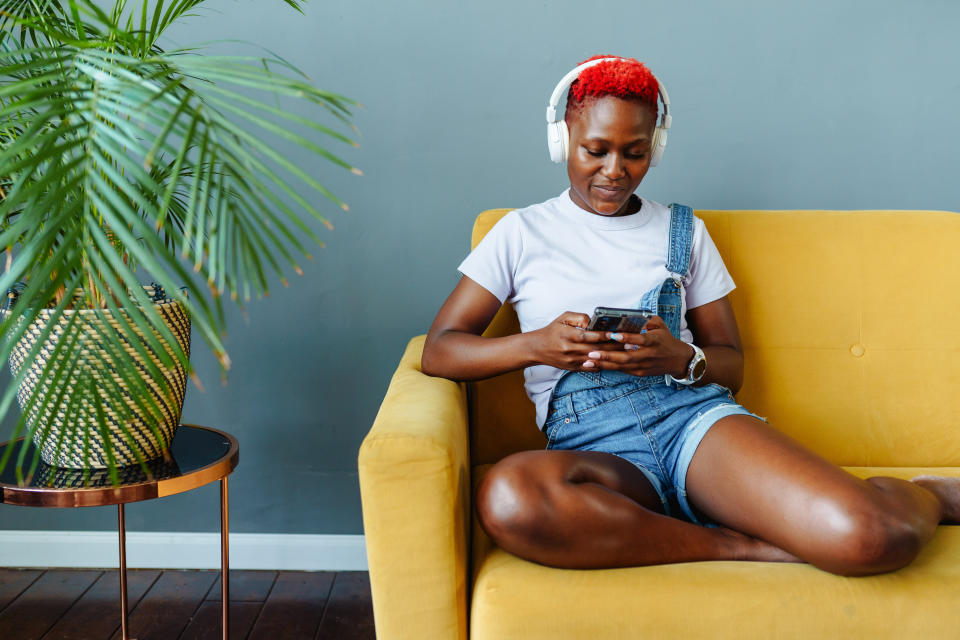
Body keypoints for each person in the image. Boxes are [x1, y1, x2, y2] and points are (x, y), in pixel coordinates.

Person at [420, 55, 960, 576]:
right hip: (596, 452)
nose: (614, 171)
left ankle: (925, 495)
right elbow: (440, 349)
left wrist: (681, 357)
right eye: (595, 150)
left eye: (634, 152)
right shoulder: (519, 233)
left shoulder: (684, 231)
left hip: (693, 423)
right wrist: (533, 345)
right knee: (510, 499)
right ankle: (735, 547)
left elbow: (731, 366)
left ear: (655, 147)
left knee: (874, 539)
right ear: (562, 140)